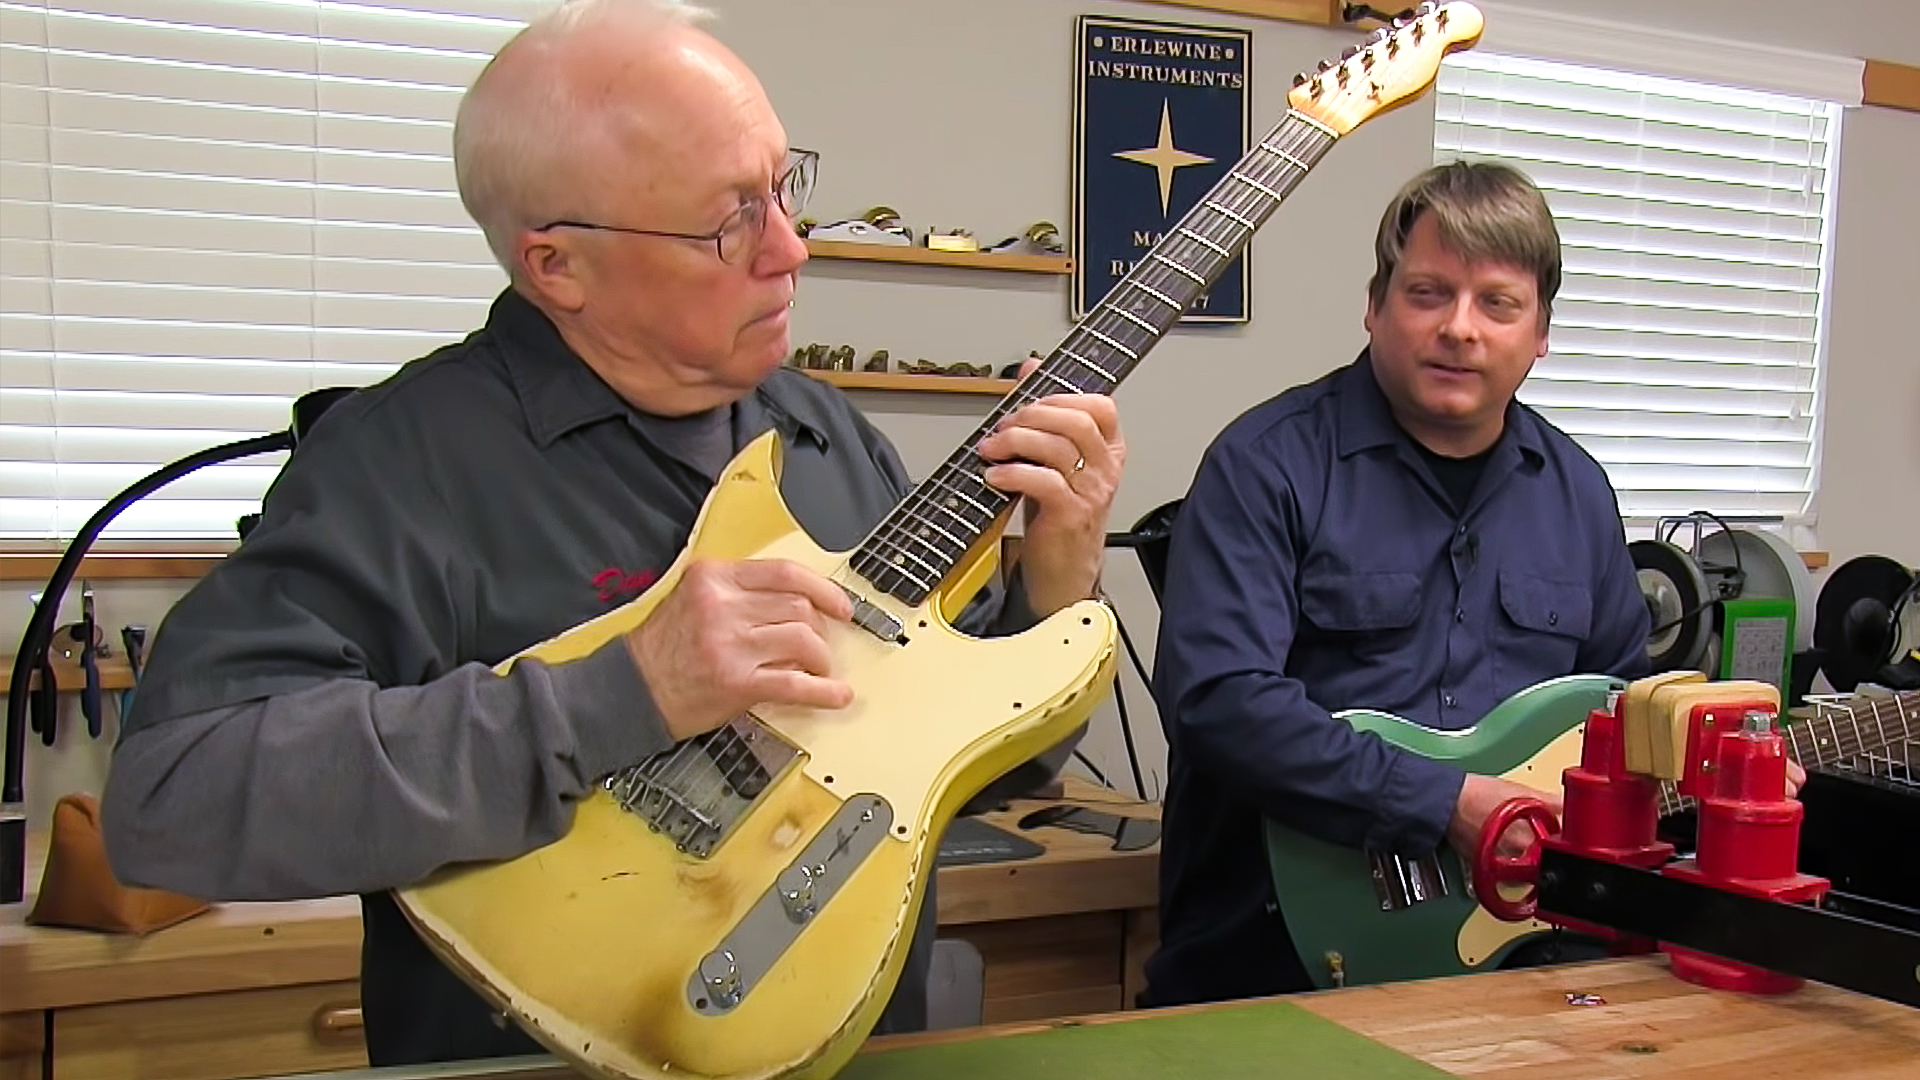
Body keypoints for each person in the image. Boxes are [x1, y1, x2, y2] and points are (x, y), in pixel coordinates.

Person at [99, 0, 1124, 1065]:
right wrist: (621, 694)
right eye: (729, 219)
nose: (790, 249)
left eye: (784, 186)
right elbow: (173, 797)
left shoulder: (825, 435)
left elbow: (951, 768)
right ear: (558, 267)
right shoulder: (399, 462)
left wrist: (1053, 581)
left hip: (851, 1042)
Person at [1139, 160, 1654, 1007]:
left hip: (1517, 967)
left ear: (1541, 332)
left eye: (1498, 303)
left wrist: (1711, 756)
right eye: (1428, 293)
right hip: (1270, 966)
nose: (1461, 328)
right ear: (1375, 306)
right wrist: (1444, 801)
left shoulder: (1578, 493)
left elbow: (1617, 710)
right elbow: (1218, 703)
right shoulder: (1266, 467)